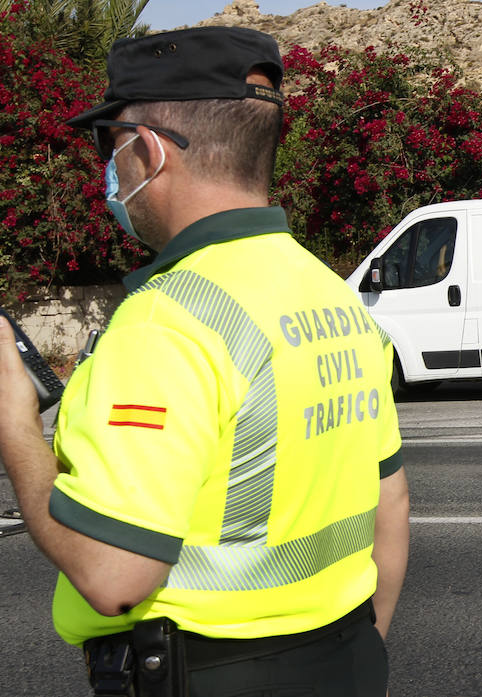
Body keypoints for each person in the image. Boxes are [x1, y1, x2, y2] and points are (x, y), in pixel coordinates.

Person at [0, 27, 408, 696]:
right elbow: (388, 503)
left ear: (148, 150)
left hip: (208, 675)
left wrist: (15, 424)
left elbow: (113, 577)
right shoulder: (334, 298)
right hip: (348, 659)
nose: (107, 168)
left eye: (110, 145)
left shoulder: (167, 320)